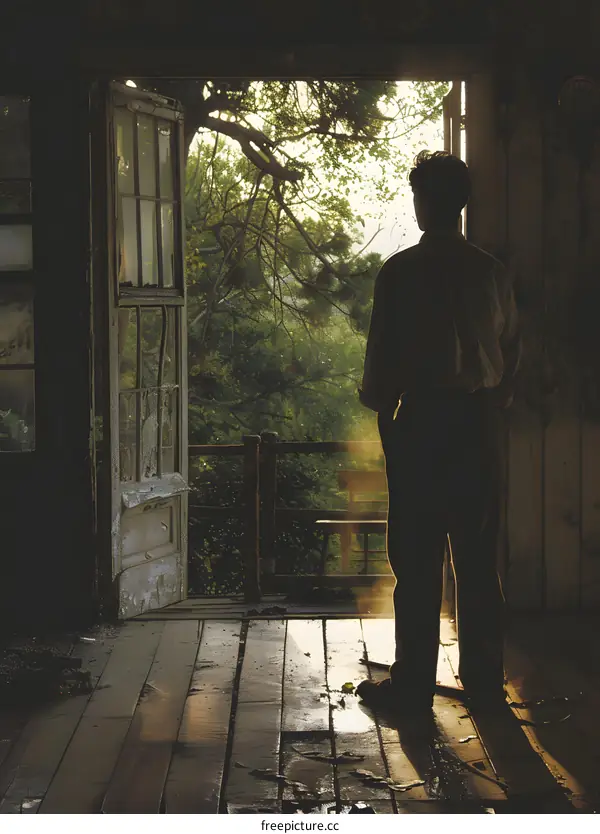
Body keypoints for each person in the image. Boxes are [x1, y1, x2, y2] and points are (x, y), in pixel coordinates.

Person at [356, 150, 522, 714]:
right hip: (476, 424)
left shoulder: (399, 272)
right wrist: (491, 406)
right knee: (477, 560)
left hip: (422, 422)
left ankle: (412, 686)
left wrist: (387, 422)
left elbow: (381, 361)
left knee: (417, 561)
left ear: (425, 202)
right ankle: (484, 682)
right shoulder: (491, 272)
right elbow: (510, 354)